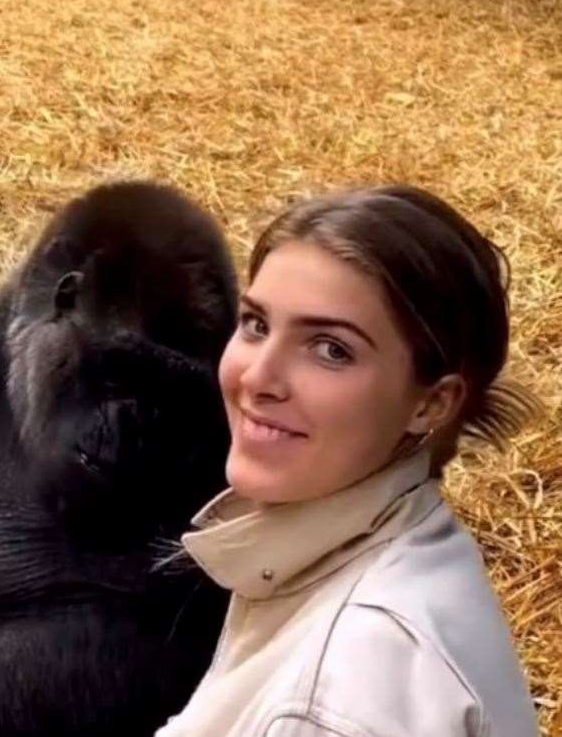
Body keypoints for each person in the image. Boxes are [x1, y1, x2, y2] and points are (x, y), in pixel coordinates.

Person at [156, 185, 540, 736]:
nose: (257, 378)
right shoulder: (396, 543)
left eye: (331, 349)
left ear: (432, 402)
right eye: (256, 325)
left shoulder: (340, 693)